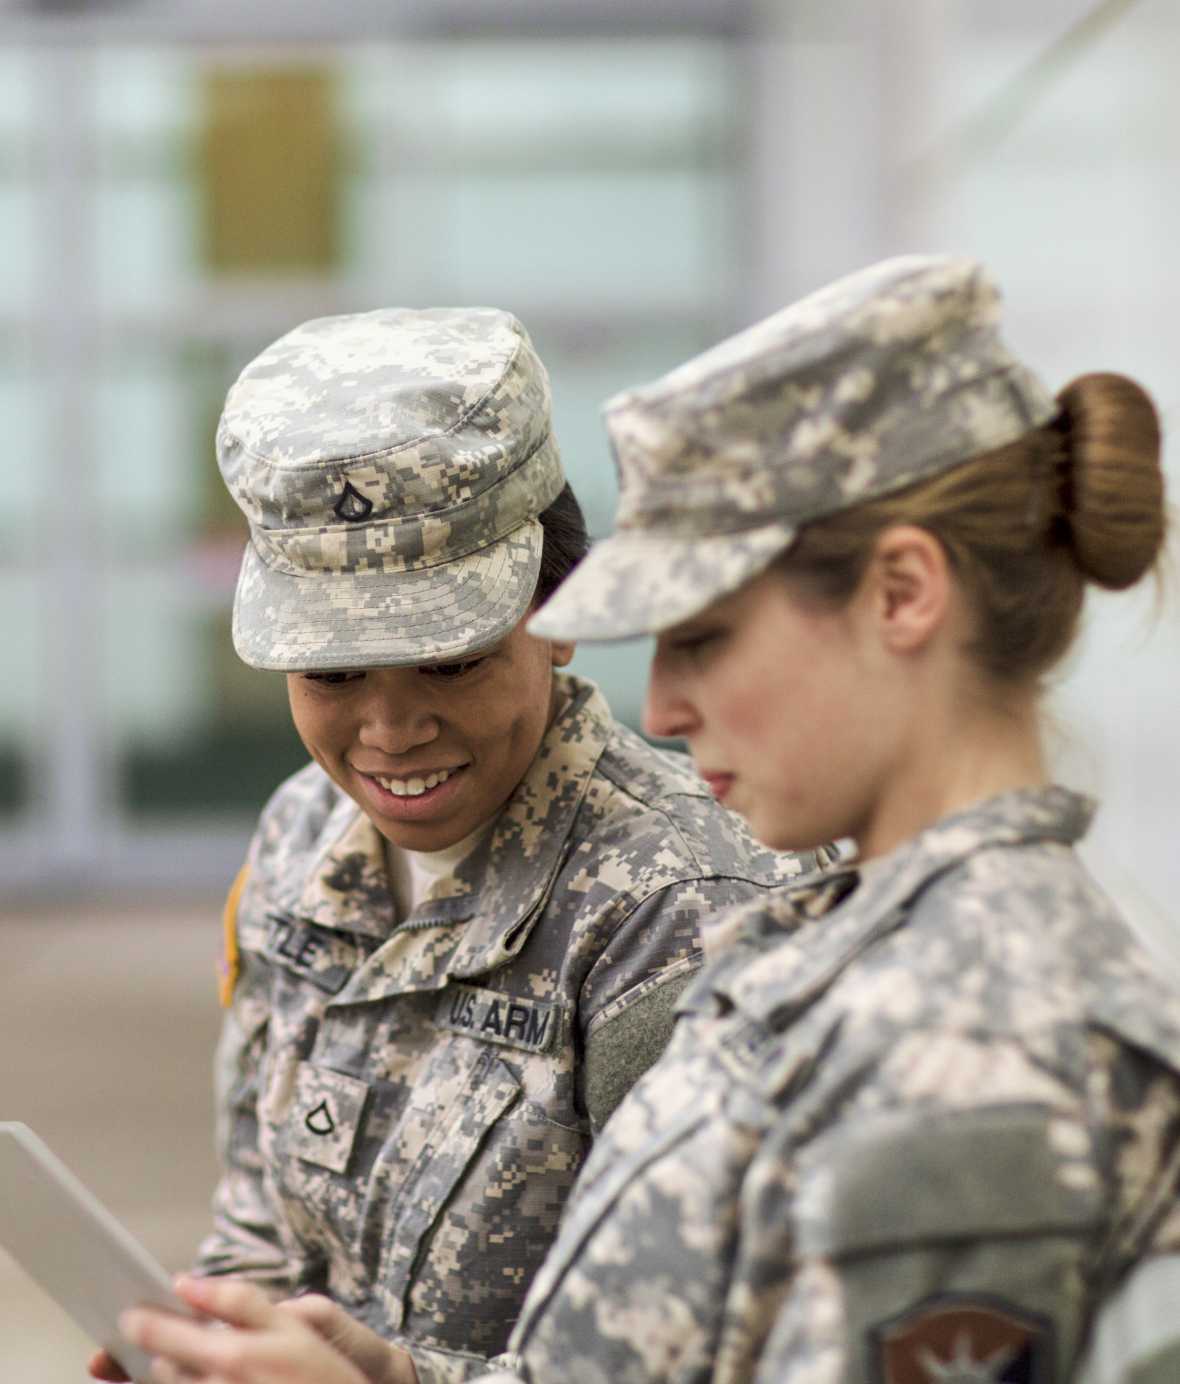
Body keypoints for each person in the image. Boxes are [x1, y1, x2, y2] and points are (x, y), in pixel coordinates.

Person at [117, 255, 1180, 1384]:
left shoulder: (979, 1044)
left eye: (706, 635)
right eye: (332, 670)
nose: (662, 705)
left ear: (902, 595)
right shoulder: (826, 957)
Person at [91, 305, 824, 1384]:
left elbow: (724, 1359)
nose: (390, 732)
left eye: (447, 661)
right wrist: (207, 1340)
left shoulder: (689, 911)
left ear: (559, 607)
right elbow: (260, 1218)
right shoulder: (301, 837)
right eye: (333, 673)